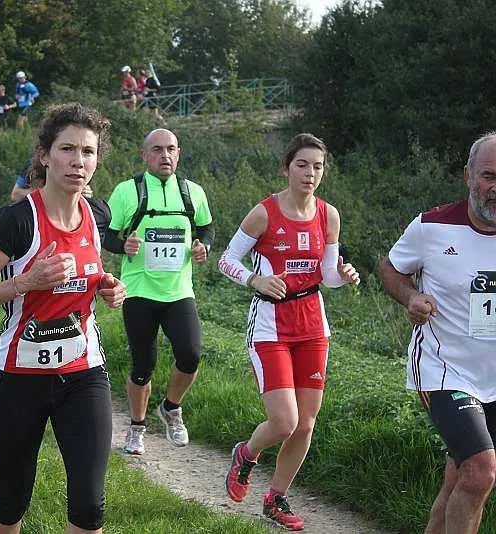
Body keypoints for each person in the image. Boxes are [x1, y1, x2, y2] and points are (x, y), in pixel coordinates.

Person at [0, 102, 125, 534]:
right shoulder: (16, 221)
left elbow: (88, 273)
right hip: (18, 379)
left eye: (88, 151)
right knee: (12, 502)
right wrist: (25, 282)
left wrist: (107, 285)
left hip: (83, 373)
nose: (78, 161)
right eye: (67, 149)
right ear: (45, 156)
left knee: (89, 507)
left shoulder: (98, 215)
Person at [218, 133, 359, 531]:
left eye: (317, 166)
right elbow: (226, 260)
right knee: (284, 422)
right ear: (286, 168)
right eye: (302, 165)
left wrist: (344, 275)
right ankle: (246, 454)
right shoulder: (263, 213)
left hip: (313, 325)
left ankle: (276, 498)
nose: (310, 173)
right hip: (270, 325)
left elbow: (327, 276)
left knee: (306, 424)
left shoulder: (328, 215)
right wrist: (255, 280)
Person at [380, 132, 496, 534]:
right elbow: (391, 269)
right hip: (446, 369)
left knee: (459, 481)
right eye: (489, 176)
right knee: (480, 471)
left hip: (493, 375)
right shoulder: (431, 227)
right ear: (468, 176)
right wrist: (411, 297)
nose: (495, 188)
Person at [103, 128, 214, 456]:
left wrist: (204, 246)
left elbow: (206, 227)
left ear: (178, 153)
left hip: (179, 291)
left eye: (171, 149)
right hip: (139, 290)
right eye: (157, 150)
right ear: (144, 155)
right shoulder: (128, 191)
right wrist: (124, 245)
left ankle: (171, 407)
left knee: (190, 355)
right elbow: (105, 234)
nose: (165, 155)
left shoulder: (193, 192)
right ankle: (137, 427)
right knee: (143, 365)